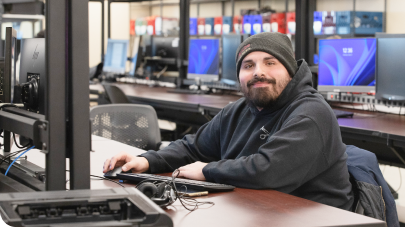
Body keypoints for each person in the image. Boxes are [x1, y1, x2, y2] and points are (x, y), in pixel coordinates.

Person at [103, 32, 354, 210]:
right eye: (248, 65)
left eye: (270, 63)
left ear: (290, 70)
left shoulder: (310, 112)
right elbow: (193, 147)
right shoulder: (238, 110)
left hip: (315, 217)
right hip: (260, 211)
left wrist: (205, 170)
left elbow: (268, 170)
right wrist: (147, 160)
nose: (258, 72)